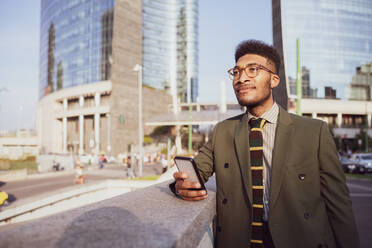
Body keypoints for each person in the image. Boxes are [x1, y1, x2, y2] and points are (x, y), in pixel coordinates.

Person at [171, 40, 359, 248]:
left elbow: (338, 204)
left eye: (253, 70)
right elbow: (196, 172)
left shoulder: (314, 131)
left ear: (274, 80)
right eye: (236, 72)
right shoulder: (222, 131)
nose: (241, 78)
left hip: (300, 239)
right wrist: (182, 184)